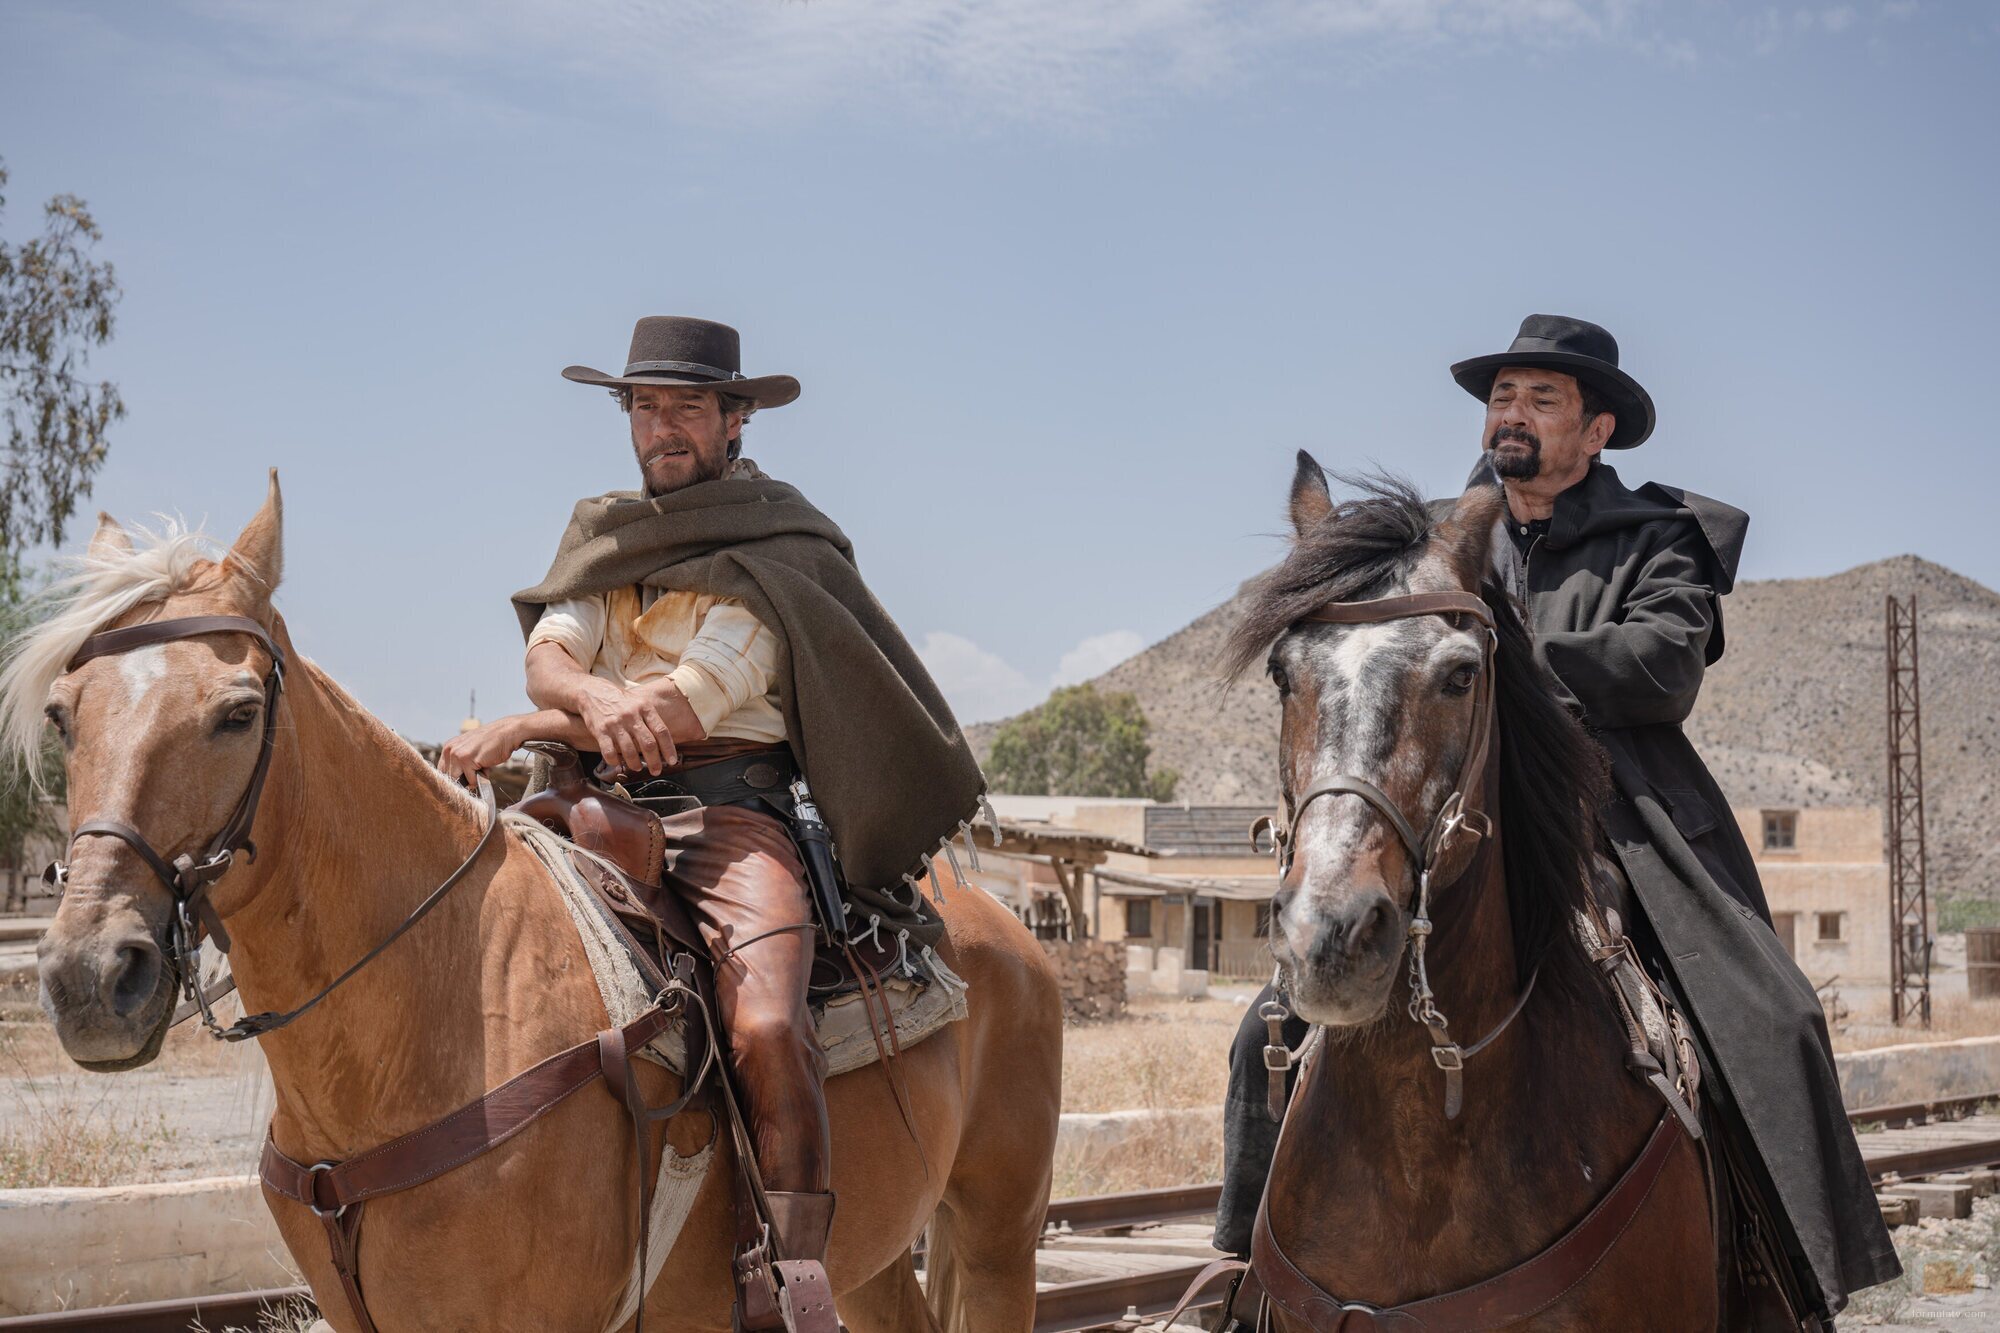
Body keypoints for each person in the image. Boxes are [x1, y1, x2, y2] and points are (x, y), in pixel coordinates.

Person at [1216, 315, 1898, 1326]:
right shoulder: (1436, 543)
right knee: (1266, 1029)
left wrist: (1507, 659)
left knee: (1776, 1018)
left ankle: (1776, 1286)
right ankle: (1236, 1280)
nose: (1510, 415)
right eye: (1501, 397)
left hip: (1615, 813)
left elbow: (1661, 670)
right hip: (1454, 806)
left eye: (1540, 399)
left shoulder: (1657, 537)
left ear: (1596, 430)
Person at [438, 316, 986, 1295]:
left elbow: (683, 708)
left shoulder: (777, 548)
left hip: (725, 820)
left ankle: (792, 1274)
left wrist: (532, 727)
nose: (663, 427)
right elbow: (547, 653)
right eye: (644, 406)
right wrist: (584, 697)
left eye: (687, 406)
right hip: (590, 805)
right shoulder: (605, 535)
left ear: (735, 419)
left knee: (769, 1026)